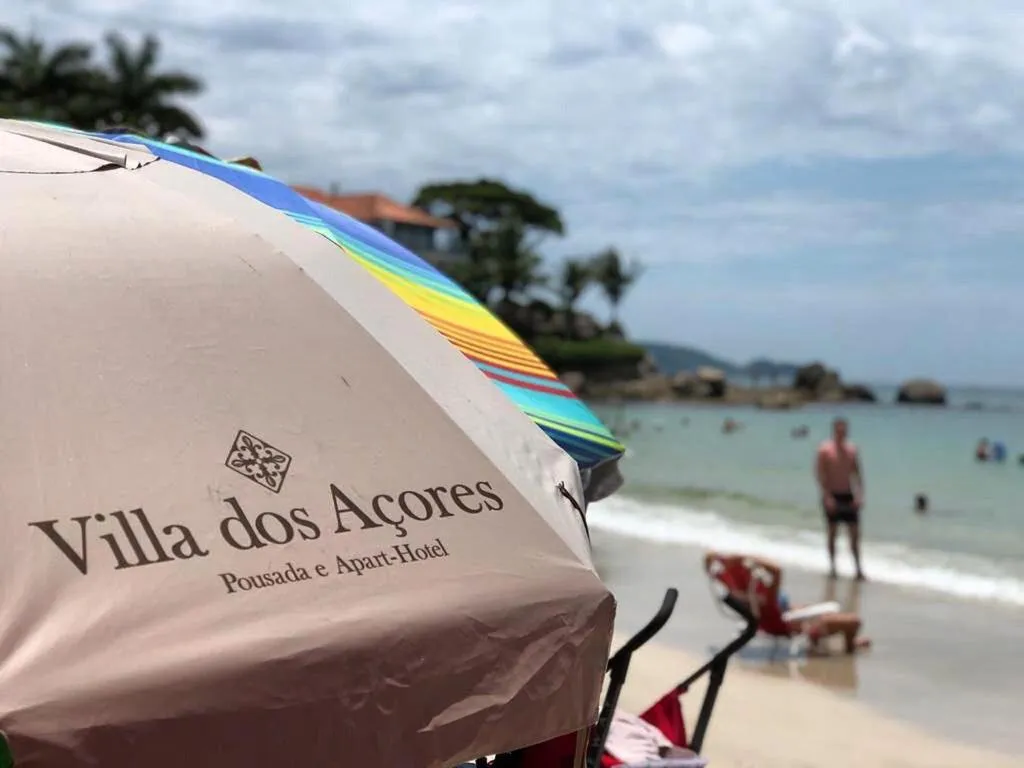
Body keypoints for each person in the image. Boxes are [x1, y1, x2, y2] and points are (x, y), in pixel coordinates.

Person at [815, 417, 865, 580]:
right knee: (832, 533)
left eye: (844, 430)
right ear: (834, 430)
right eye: (839, 430)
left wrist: (859, 495)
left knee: (855, 534)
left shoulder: (852, 450)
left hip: (848, 495)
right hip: (832, 495)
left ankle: (858, 570)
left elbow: (857, 473)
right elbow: (820, 474)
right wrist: (826, 496)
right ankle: (832, 568)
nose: (842, 433)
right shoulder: (825, 450)